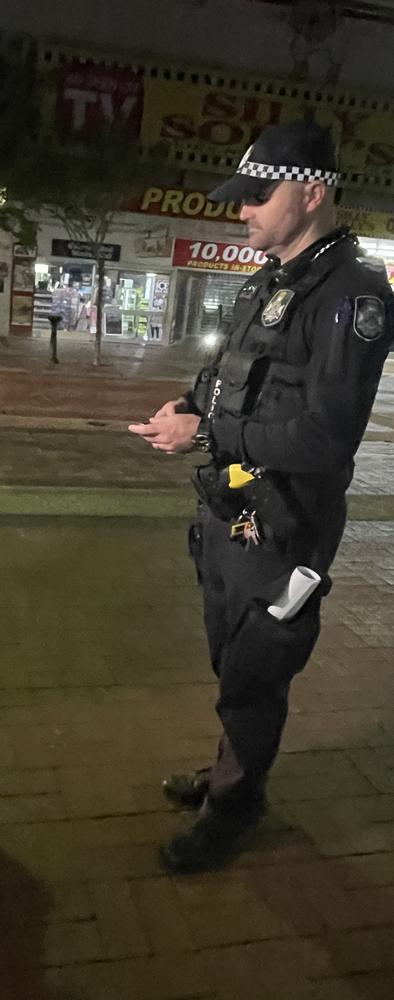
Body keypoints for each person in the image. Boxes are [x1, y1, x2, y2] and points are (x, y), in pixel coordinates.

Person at [129, 120, 394, 872]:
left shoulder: (354, 296)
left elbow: (325, 440)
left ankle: (235, 807)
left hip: (285, 528)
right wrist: (184, 407)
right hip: (230, 515)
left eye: (256, 194)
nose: (240, 211)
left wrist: (208, 431)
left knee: (256, 674)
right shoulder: (268, 280)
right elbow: (224, 382)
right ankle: (228, 775)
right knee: (232, 663)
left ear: (311, 194)